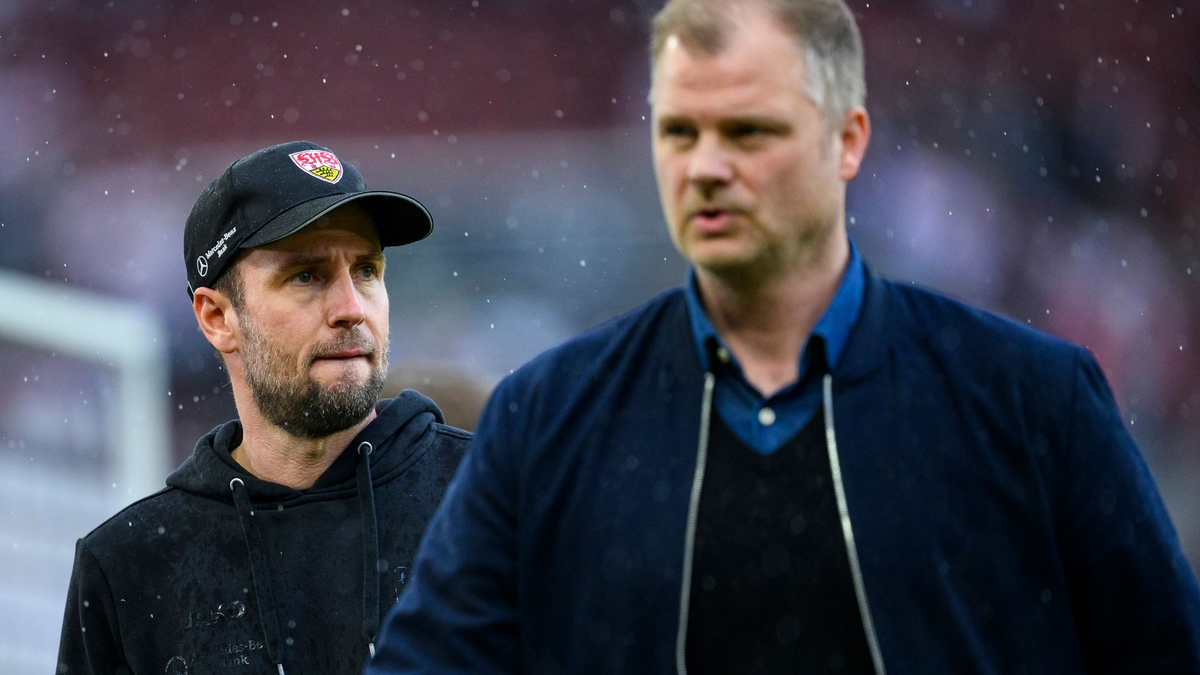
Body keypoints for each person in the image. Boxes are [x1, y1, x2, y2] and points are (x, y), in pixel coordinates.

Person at [368, 1, 1200, 673]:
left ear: (848, 141)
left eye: (749, 132)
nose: (705, 166)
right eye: (680, 132)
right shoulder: (546, 416)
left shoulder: (1031, 400)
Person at [56, 141, 470, 675]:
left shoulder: (492, 498)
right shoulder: (127, 568)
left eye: (366, 270)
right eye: (307, 276)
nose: (351, 309)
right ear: (216, 318)